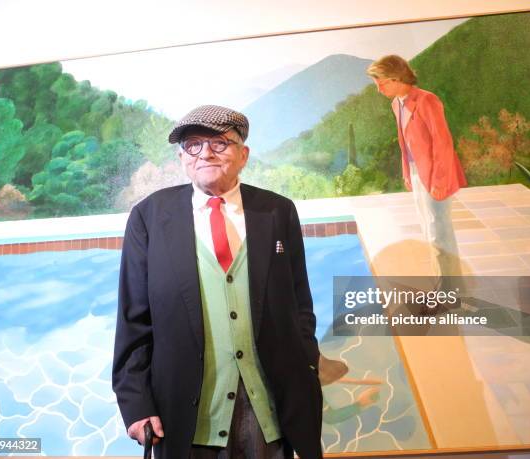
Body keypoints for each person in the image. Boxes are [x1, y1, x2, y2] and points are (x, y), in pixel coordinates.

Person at [112, 105, 323, 459]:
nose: (206, 152)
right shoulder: (148, 217)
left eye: (220, 143)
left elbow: (300, 306)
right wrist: (136, 403)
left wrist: (308, 370)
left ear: (243, 155)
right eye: (193, 144)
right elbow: (133, 320)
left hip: (270, 414)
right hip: (185, 414)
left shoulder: (278, 211)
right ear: (182, 158)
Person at [367, 55, 467, 293]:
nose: (379, 89)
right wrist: (407, 172)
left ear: (397, 78)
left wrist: (440, 181)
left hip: (435, 174)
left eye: (382, 83)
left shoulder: (427, 100)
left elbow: (442, 143)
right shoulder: (397, 104)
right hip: (417, 173)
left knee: (438, 234)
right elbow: (406, 144)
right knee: (428, 231)